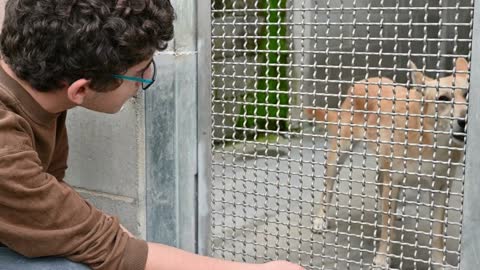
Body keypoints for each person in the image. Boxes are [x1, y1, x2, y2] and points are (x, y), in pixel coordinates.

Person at [0, 0, 305, 270]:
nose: (146, 79)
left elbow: (79, 225)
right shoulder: (6, 150)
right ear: (80, 89)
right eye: (139, 72)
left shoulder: (39, 93)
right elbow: (114, 252)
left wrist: (109, 237)